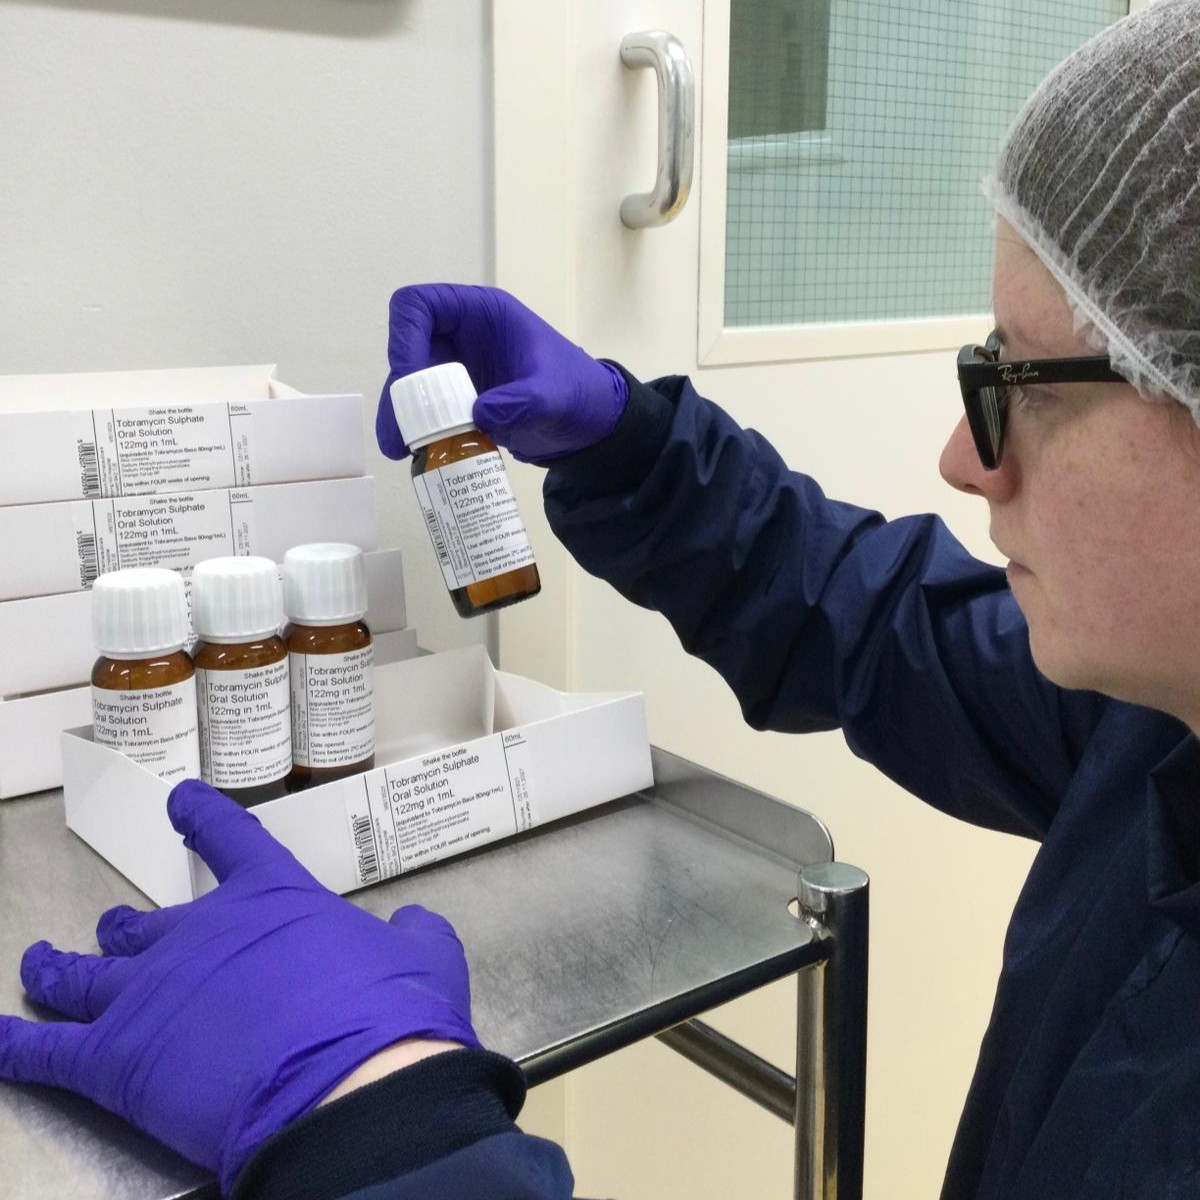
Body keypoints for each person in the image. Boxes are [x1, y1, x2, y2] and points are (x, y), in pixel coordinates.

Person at [1, 3, 1197, 1197]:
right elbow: (893, 631)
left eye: (1024, 381)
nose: (964, 458)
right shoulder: (1158, 713)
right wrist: (632, 447)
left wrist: (386, 1127)